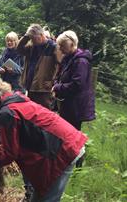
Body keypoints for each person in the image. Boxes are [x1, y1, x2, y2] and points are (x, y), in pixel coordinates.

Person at [0, 78, 87, 202]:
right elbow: (22, 137)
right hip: (66, 141)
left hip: (64, 150)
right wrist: (1, 148)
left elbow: (10, 153)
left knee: (46, 199)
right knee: (39, 197)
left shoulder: (6, 114)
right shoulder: (18, 101)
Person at [52, 30, 95, 167]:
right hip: (68, 104)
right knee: (67, 133)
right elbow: (60, 76)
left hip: (76, 105)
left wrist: (58, 88)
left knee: (73, 135)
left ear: (71, 44)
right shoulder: (68, 58)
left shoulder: (81, 61)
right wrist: (56, 85)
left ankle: (77, 164)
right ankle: (68, 160)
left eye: (62, 46)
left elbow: (77, 84)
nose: (60, 49)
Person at [17, 24, 58, 109]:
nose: (33, 41)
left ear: (42, 35)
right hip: (31, 85)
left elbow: (60, 66)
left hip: (43, 88)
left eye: (34, 38)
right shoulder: (32, 47)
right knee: (32, 111)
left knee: (44, 112)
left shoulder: (53, 47)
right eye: (31, 38)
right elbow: (19, 49)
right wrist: (26, 37)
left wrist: (53, 82)